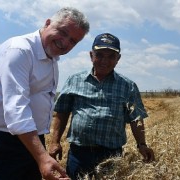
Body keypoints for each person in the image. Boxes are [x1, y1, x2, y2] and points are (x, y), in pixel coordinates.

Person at [0, 7, 90, 180]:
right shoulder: (19, 51)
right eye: (63, 32)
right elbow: (16, 110)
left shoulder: (51, 56)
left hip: (29, 137)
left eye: (73, 41)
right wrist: (42, 157)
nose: (65, 43)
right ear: (48, 23)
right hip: (0, 140)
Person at [49, 33, 155, 179]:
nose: (104, 61)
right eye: (99, 55)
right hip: (79, 154)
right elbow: (62, 112)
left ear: (118, 59)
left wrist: (142, 144)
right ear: (91, 55)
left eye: (111, 56)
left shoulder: (127, 86)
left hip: (111, 155)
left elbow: (135, 118)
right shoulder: (75, 80)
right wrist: (55, 142)